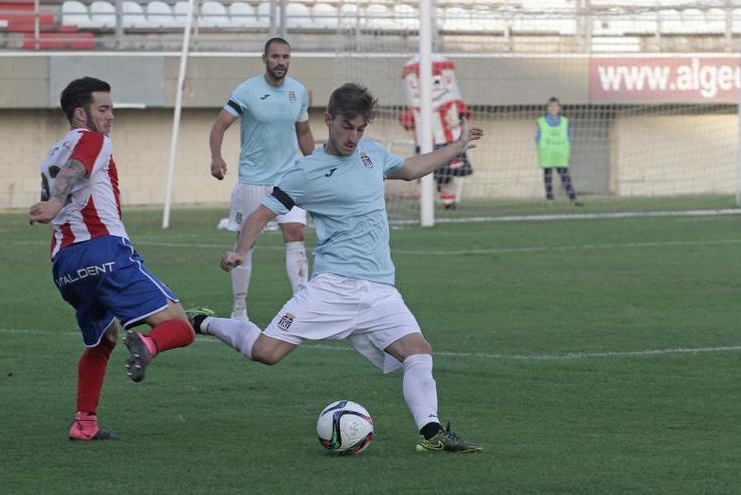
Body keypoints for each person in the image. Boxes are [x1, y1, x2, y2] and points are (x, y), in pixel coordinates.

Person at [190, 83, 484, 453]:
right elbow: (262, 214)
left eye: (360, 129)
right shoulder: (305, 171)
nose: (353, 137)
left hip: (380, 289)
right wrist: (239, 252)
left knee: (418, 351)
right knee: (266, 352)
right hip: (334, 286)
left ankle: (433, 434)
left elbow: (410, 169)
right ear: (328, 120)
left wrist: (457, 146)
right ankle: (203, 322)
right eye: (347, 127)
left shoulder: (371, 154)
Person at [29, 77, 211, 441]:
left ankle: (84, 423)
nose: (111, 116)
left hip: (65, 267)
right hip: (104, 251)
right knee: (179, 326)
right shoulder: (93, 140)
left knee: (102, 340)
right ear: (81, 113)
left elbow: (66, 176)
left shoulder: (52, 153)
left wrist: (52, 203)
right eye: (103, 109)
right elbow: (78, 167)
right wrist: (56, 202)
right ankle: (147, 345)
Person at [209, 37, 315, 321]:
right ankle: (239, 309)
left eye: (285, 57)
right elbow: (220, 125)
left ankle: (302, 304)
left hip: (289, 177)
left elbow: (303, 132)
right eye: (275, 56)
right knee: (246, 242)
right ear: (265, 58)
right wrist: (216, 157)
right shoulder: (247, 90)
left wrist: (316, 165)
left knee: (295, 233)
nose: (280, 62)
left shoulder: (298, 92)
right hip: (253, 180)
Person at [398, 54, 474, 210]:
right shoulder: (416, 106)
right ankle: (426, 203)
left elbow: (462, 112)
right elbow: (408, 119)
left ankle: (448, 201)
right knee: (424, 171)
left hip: (448, 140)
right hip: (425, 141)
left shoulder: (450, 102)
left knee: (447, 173)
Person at [536, 97, 582, 206]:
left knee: (565, 177)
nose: (553, 108)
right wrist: (542, 147)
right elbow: (538, 137)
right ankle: (550, 199)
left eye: (555, 106)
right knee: (548, 177)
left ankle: (573, 198)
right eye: (550, 106)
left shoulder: (565, 122)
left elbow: (569, 136)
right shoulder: (542, 122)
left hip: (560, 154)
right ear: (547, 108)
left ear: (559, 108)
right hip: (547, 154)